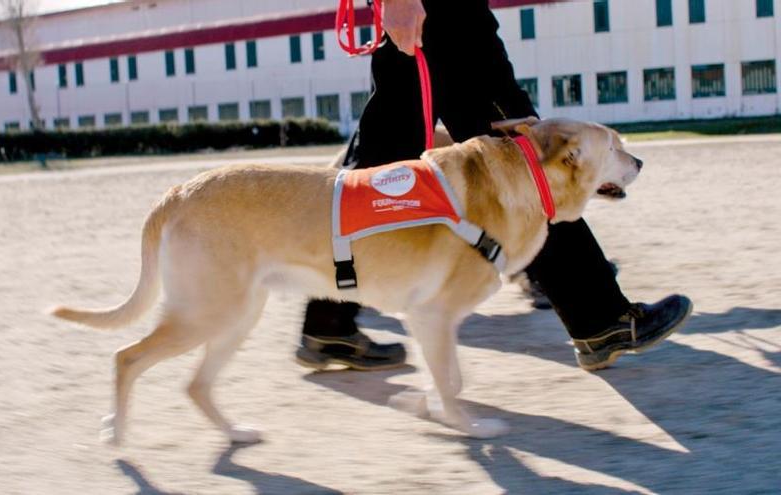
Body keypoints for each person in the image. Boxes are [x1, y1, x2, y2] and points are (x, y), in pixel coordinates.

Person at [296, 0, 692, 372]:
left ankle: (329, 317)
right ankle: (600, 317)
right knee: (529, 155)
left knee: (384, 156)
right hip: (443, 11)